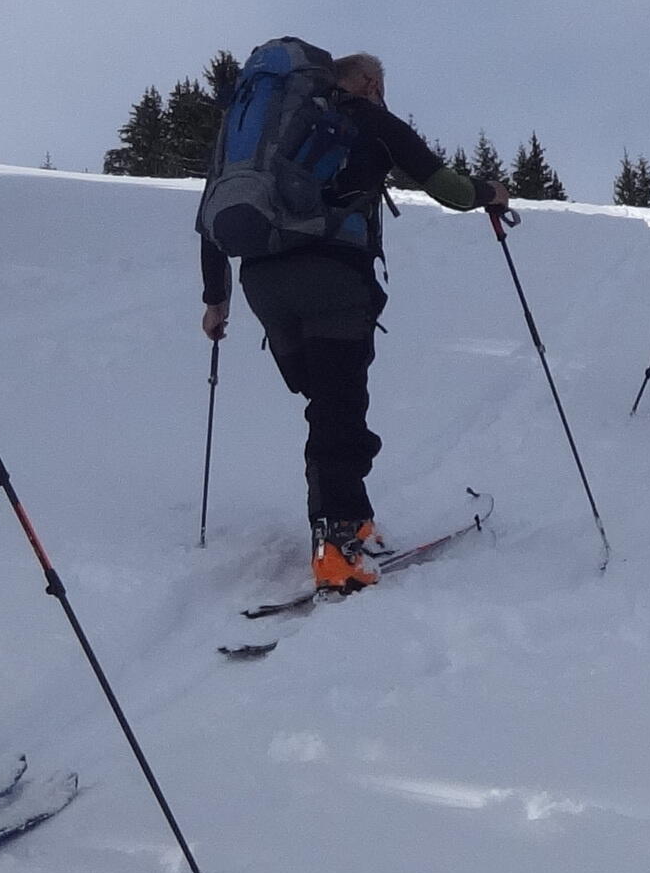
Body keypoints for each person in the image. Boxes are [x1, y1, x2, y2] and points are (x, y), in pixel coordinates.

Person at [195, 52, 512, 592]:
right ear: (367, 82)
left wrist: (215, 299)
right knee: (337, 410)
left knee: (326, 405)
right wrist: (492, 193)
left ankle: (353, 518)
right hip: (334, 281)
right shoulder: (369, 119)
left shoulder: (265, 135)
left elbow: (213, 210)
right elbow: (450, 189)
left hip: (264, 285)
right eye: (381, 86)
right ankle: (337, 546)